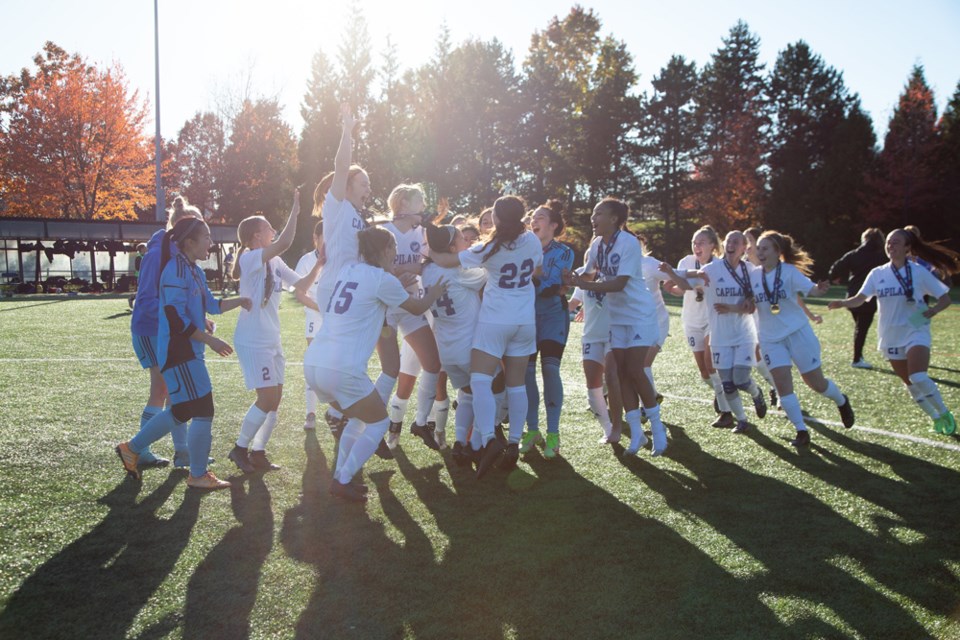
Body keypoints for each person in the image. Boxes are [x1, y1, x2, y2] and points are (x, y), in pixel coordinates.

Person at [303, 226, 447, 502]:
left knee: (358, 419)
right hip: (341, 368)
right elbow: (416, 308)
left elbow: (371, 295)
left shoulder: (350, 270)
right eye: (393, 247)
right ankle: (343, 479)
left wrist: (394, 282)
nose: (396, 252)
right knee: (379, 423)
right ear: (385, 250)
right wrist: (436, 290)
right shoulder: (382, 279)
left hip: (316, 363)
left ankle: (340, 476)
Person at [116, 217, 251, 489]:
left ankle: (132, 448)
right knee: (203, 408)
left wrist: (242, 300)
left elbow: (212, 306)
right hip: (180, 353)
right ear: (189, 242)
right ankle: (197, 474)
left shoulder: (194, 270)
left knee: (183, 410)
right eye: (207, 238)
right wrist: (209, 340)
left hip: (188, 352)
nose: (211, 244)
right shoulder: (174, 270)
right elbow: (175, 319)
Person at [430, 195, 543, 477]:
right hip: (525, 320)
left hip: (495, 320)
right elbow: (537, 270)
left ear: (497, 218)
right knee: (516, 386)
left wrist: (428, 248)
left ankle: (490, 439)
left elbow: (447, 260)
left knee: (479, 381)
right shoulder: (531, 240)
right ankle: (514, 443)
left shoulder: (489, 248)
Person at [829, 228, 958, 434]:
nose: (891, 246)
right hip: (890, 334)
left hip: (916, 329)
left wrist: (933, 310)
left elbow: (945, 298)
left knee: (918, 376)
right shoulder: (877, 273)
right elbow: (861, 298)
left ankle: (944, 412)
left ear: (907, 247)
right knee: (909, 383)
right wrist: (842, 302)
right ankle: (934, 417)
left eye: (896, 242)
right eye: (888, 242)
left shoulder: (917, 271)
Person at [566, 198, 668, 456]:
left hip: (639, 315)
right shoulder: (597, 243)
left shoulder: (629, 243)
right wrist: (570, 279)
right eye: (593, 213)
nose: (593, 217)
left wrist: (586, 285)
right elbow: (588, 275)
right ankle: (636, 435)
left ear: (614, 218)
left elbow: (619, 283)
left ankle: (658, 430)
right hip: (617, 317)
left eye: (598, 213)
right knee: (621, 375)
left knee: (634, 369)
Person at [228, 191, 321, 474]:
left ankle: (258, 452)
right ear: (256, 236)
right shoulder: (249, 258)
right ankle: (240, 448)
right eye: (269, 227)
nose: (273, 230)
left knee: (275, 400)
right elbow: (285, 242)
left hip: (271, 339)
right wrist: (295, 209)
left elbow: (300, 286)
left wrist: (320, 262)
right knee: (267, 399)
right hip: (253, 340)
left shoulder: (275, 262)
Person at [127, 197, 204, 469]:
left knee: (175, 392)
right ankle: (138, 450)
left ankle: (181, 452)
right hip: (151, 330)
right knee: (162, 389)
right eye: (199, 228)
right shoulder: (157, 255)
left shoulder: (181, 256)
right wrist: (175, 323)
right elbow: (146, 301)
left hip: (165, 331)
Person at [669, 231, 767, 434]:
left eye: (736, 241)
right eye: (728, 240)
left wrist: (749, 301)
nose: (731, 244)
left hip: (736, 332)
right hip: (709, 330)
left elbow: (762, 288)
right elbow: (687, 285)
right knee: (719, 379)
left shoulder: (749, 270)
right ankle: (740, 418)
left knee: (738, 378)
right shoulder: (709, 269)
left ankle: (750, 398)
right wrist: (670, 275)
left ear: (743, 248)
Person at [381, 184, 445, 452]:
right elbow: (375, 269)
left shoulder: (422, 232)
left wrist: (407, 268)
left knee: (432, 364)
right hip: (385, 307)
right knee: (390, 371)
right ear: (404, 204)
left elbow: (429, 263)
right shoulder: (384, 231)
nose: (423, 208)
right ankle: (371, 425)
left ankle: (420, 423)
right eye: (419, 202)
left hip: (411, 304)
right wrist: (396, 274)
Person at [420, 223, 487, 465]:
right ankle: (478, 444)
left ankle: (460, 442)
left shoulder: (426, 272)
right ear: (450, 247)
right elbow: (490, 272)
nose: (466, 243)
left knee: (467, 393)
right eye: (461, 239)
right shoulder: (458, 271)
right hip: (468, 345)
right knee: (490, 390)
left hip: (446, 349)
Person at [661, 226, 734, 428]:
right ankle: (721, 393)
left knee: (711, 365)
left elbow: (689, 285)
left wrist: (675, 280)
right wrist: (671, 287)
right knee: (704, 372)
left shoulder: (719, 266)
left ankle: (727, 412)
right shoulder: (686, 262)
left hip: (713, 320)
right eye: (694, 242)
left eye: (701, 242)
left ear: (712, 245)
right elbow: (679, 290)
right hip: (691, 320)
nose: (696, 246)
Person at [519, 200, 574, 459]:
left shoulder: (564, 252)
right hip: (526, 317)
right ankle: (532, 431)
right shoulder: (521, 247)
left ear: (553, 225)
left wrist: (532, 278)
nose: (534, 220)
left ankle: (553, 433)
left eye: (540, 217)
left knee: (550, 369)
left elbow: (552, 286)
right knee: (526, 374)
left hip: (553, 315)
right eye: (533, 217)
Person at [568, 268, 624, 444]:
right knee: (592, 385)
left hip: (614, 332)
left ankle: (617, 428)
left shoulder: (616, 272)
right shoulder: (581, 274)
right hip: (591, 336)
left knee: (612, 376)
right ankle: (607, 429)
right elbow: (573, 303)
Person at [827, 228, 887, 369]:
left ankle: (859, 356)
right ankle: (857, 358)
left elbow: (836, 266)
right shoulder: (881, 255)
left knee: (859, 327)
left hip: (852, 295)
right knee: (862, 328)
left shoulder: (854, 254)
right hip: (869, 297)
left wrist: (835, 277)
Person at [294, 221, 331, 432]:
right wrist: (320, 309)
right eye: (325, 237)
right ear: (315, 238)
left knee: (337, 364)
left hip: (335, 320)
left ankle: (338, 412)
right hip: (315, 319)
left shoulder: (340, 259)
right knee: (314, 365)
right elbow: (300, 294)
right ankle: (311, 412)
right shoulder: (306, 261)